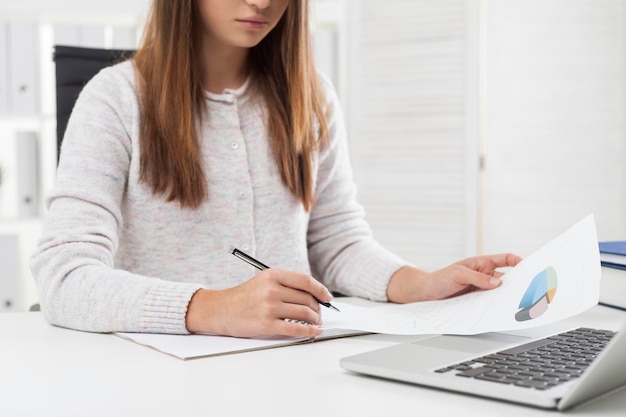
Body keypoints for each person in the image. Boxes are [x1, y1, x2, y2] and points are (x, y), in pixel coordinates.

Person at [31, 0, 521, 338]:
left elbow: (336, 241)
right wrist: (215, 307)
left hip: (289, 367)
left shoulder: (311, 98)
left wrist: (419, 283)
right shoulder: (114, 99)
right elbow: (64, 277)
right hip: (159, 377)